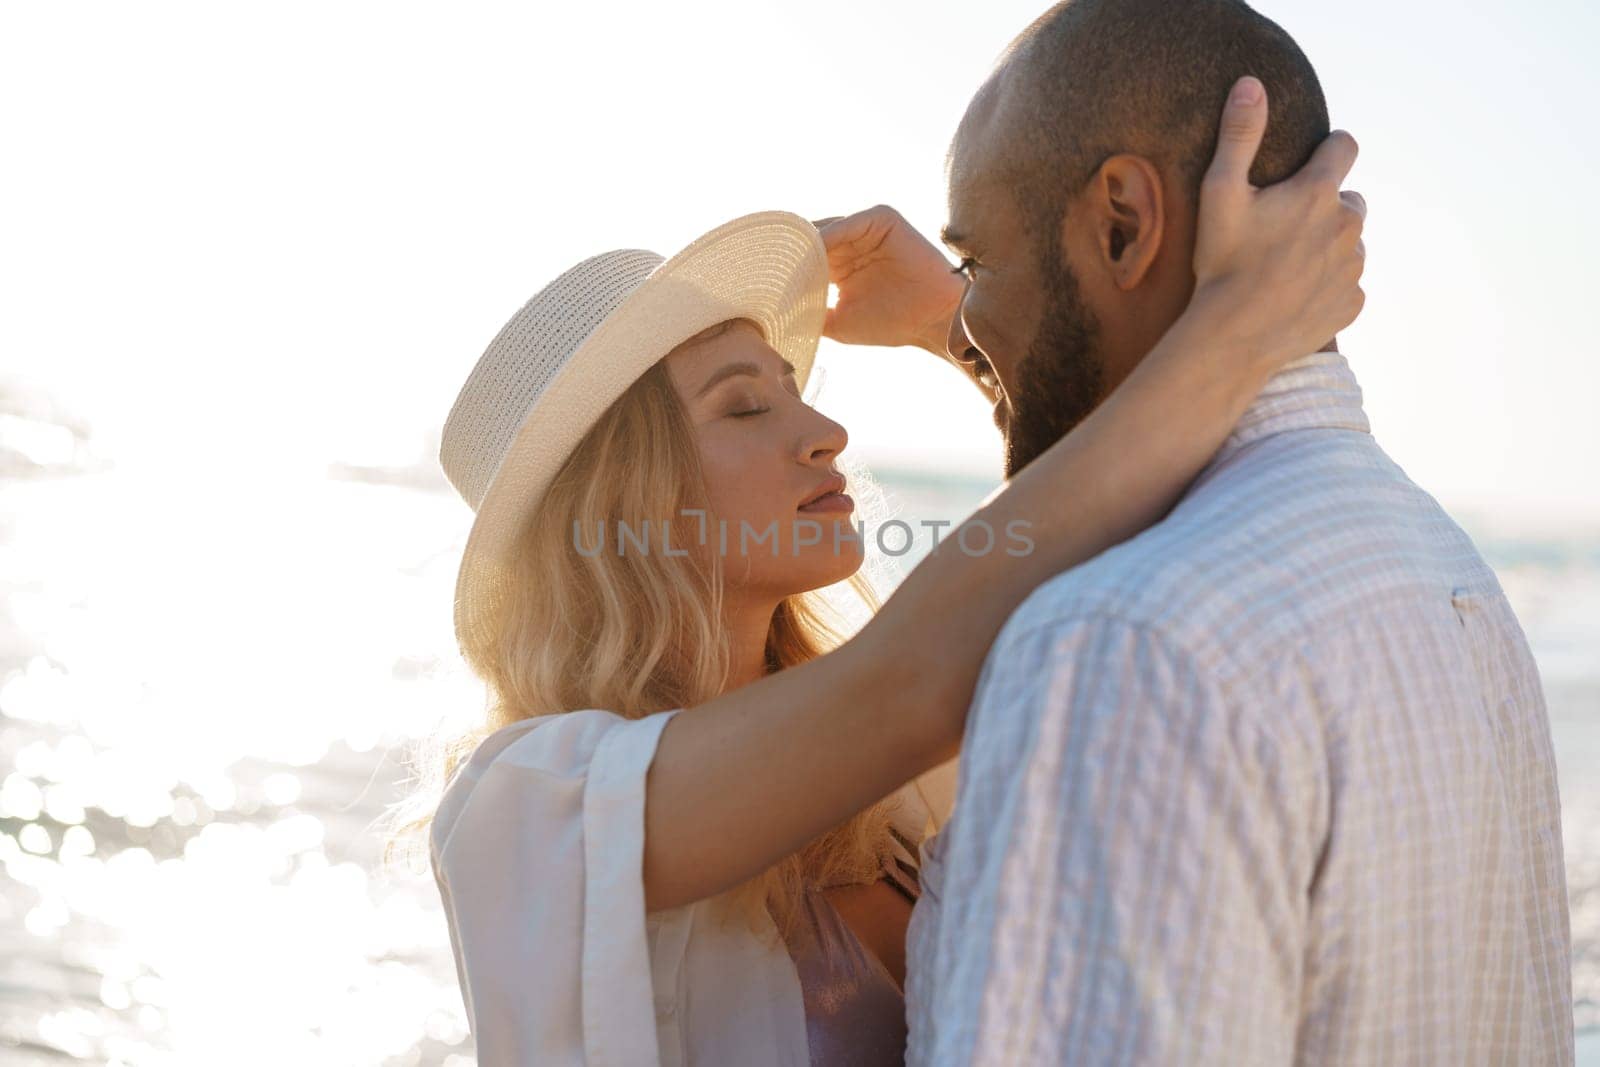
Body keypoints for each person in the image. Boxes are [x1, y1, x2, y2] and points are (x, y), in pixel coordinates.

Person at [394, 83, 1365, 1065]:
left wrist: (961, 319)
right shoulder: (529, 804)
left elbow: (1097, 547)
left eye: (795, 394)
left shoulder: (886, 801)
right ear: (625, 504)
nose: (826, 435)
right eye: (744, 408)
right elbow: (923, 660)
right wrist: (1241, 328)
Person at [879, 2, 1575, 1064]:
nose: (964, 325)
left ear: (1122, 222)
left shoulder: (1121, 646)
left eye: (974, 264)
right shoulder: (1447, 576)